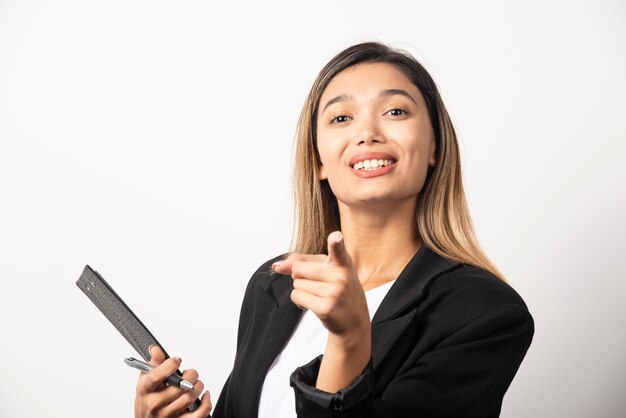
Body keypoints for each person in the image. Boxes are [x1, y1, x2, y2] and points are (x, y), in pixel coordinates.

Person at [133, 41, 534, 418]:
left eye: (395, 111)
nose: (367, 133)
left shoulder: (486, 315)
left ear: (434, 147)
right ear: (319, 162)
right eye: (342, 118)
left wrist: (350, 337)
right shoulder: (273, 285)